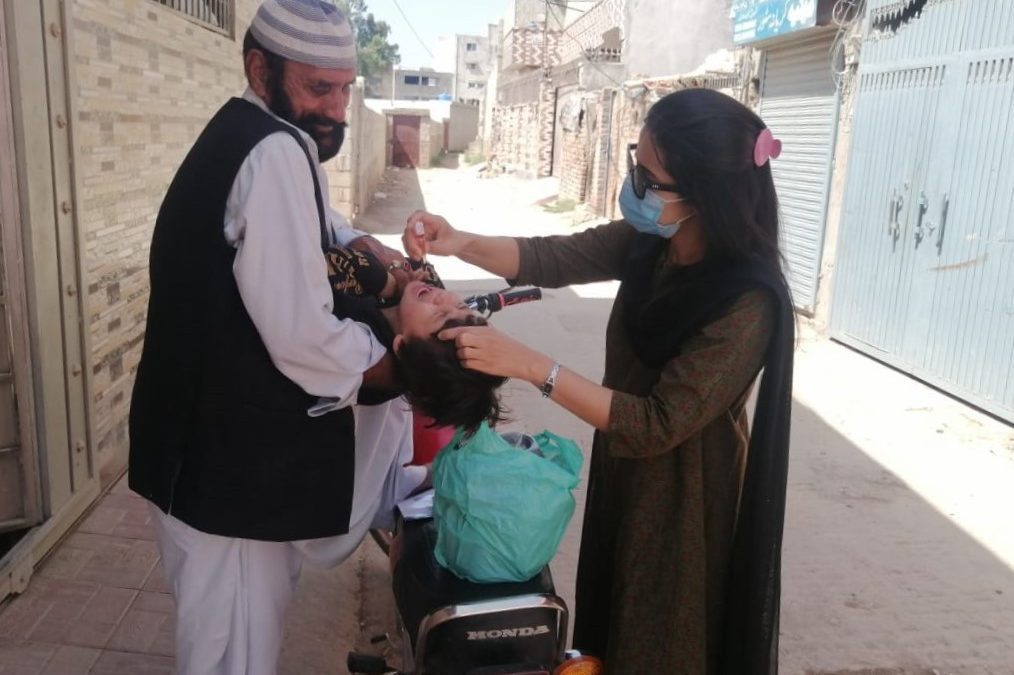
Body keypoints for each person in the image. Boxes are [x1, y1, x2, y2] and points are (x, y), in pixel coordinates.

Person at [402, 88, 795, 675]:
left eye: (649, 177)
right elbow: (555, 256)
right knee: (609, 617)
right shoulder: (654, 242)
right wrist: (459, 241)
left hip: (685, 500)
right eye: (635, 164)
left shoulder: (746, 304)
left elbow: (657, 423)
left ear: (703, 194)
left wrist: (531, 366)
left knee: (662, 635)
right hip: (625, 471)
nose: (634, 185)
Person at [126, 2, 433, 673]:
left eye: (346, 88)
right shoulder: (273, 151)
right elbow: (303, 338)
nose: (338, 109)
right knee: (233, 653)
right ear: (259, 68)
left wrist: (369, 251)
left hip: (196, 454)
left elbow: (323, 223)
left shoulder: (254, 133)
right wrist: (395, 366)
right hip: (222, 472)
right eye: (318, 88)